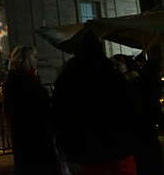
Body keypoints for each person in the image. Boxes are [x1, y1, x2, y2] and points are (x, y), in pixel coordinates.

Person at [53, 30, 137, 175]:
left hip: (85, 149)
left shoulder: (67, 76)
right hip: (117, 145)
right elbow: (129, 107)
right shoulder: (111, 72)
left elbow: (60, 112)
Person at [3, 46, 61, 175]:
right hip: (33, 131)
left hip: (30, 132)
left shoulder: (22, 78)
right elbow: (34, 103)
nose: (36, 60)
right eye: (34, 57)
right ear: (26, 59)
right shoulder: (21, 79)